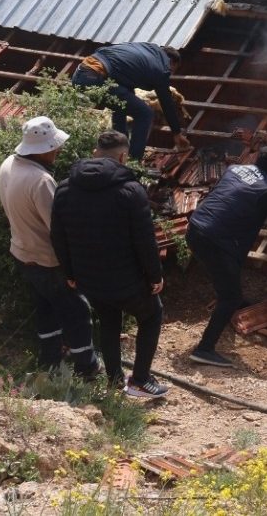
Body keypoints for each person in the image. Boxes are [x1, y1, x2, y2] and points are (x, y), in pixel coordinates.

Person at [50, 131, 168, 397]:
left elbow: (57, 235)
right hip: (127, 280)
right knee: (151, 315)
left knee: (108, 321)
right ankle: (139, 380)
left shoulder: (65, 188)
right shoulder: (131, 191)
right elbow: (145, 240)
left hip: (88, 279)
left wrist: (70, 273)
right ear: (123, 156)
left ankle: (115, 380)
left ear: (94, 154)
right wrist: (155, 276)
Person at [186, 147, 267, 367]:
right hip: (216, 241)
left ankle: (233, 306)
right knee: (230, 295)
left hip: (195, 228)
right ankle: (205, 349)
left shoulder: (235, 169)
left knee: (229, 274)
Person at [0, 117, 99, 377]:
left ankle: (50, 359)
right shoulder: (41, 180)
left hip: (21, 251)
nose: (58, 150)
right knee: (78, 310)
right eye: (54, 147)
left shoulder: (9, 164)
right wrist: (74, 268)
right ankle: (87, 367)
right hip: (46, 259)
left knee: (45, 305)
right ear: (43, 149)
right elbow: (58, 227)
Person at [70, 42, 191, 160]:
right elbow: (166, 102)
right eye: (173, 71)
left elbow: (126, 86)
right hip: (95, 76)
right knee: (145, 113)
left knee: (121, 106)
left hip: (81, 73)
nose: (170, 74)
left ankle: (120, 150)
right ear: (172, 62)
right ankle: (134, 161)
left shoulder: (145, 49)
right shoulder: (161, 68)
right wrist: (176, 133)